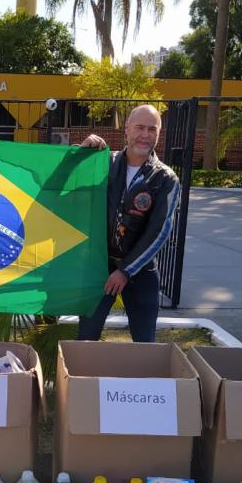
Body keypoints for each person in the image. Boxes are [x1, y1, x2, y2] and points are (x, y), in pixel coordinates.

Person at [76, 104, 180, 342]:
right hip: (99, 268)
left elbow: (159, 232)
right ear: (127, 129)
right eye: (140, 127)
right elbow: (68, 183)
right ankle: (83, 380)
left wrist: (126, 271)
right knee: (85, 340)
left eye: (152, 129)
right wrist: (82, 152)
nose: (145, 135)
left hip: (141, 271)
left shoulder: (165, 178)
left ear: (159, 133)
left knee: (145, 345)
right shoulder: (104, 163)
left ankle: (142, 380)